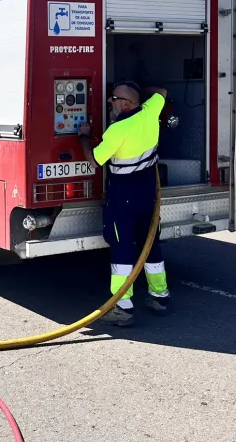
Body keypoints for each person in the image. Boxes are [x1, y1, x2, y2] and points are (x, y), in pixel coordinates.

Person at [78, 81, 169, 327]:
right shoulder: (151, 111)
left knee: (122, 250)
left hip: (123, 199)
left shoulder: (118, 130)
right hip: (148, 196)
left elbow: (94, 161)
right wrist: (141, 87)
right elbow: (161, 91)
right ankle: (160, 297)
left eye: (114, 98)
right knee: (150, 244)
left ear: (127, 104)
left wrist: (84, 137)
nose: (110, 101)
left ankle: (122, 307)